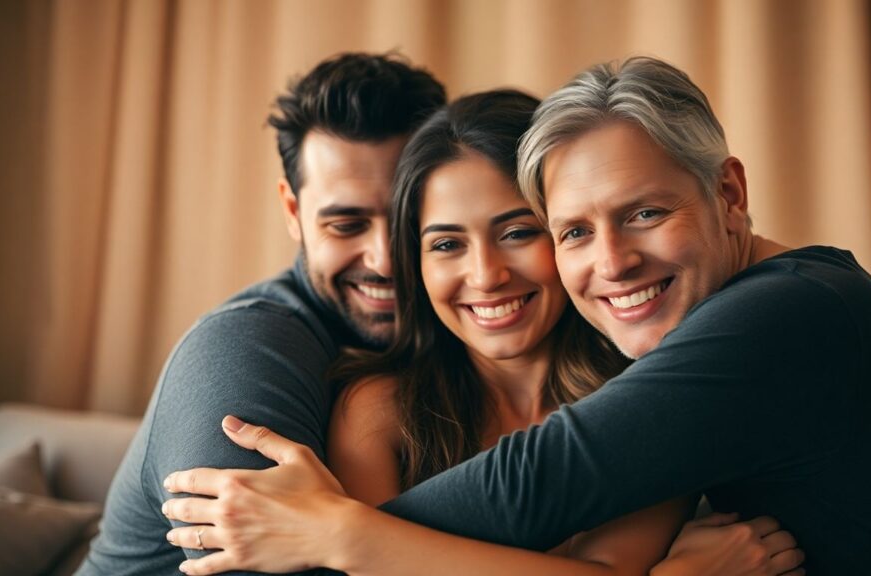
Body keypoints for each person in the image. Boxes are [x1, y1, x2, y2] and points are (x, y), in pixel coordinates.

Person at [160, 57, 871, 575]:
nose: (612, 262)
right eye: (575, 230)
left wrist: (333, 532)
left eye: (645, 213)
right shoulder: (364, 397)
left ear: (729, 194)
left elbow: (536, 481)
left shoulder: (782, 322)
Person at [329, 89, 802, 575]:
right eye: (447, 244)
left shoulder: (644, 401)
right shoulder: (378, 413)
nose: (486, 275)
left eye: (517, 233)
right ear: (416, 263)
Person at [76, 52, 446, 575]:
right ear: (293, 213)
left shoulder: (449, 336)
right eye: (346, 225)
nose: (385, 259)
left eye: (411, 216)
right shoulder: (245, 350)